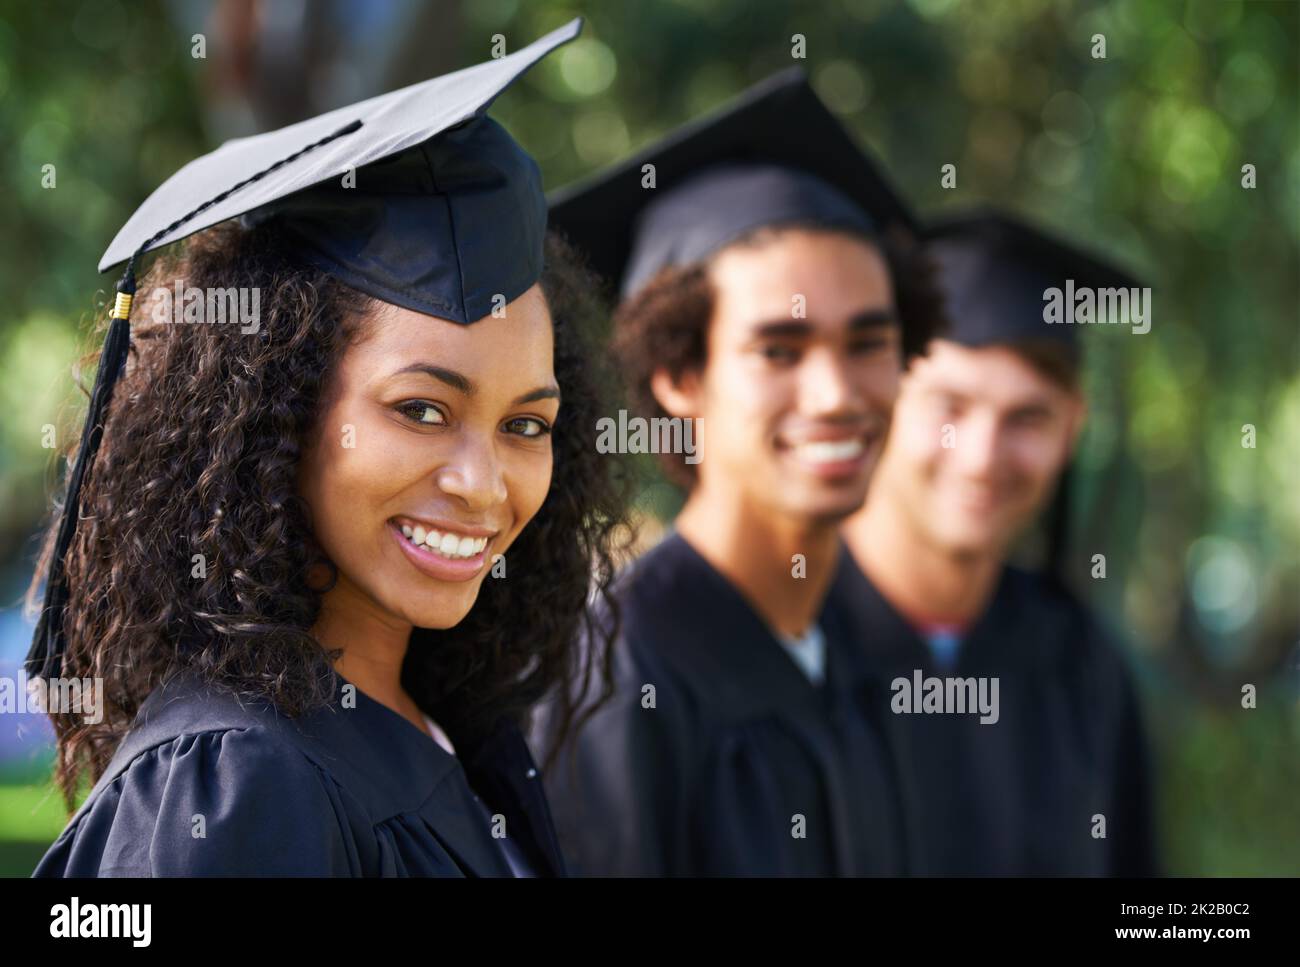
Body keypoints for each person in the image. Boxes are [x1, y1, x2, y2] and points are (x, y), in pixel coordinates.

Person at [28, 18, 630, 877]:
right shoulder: (237, 782)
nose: (481, 481)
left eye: (525, 424)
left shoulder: (442, 727)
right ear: (278, 410)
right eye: (421, 409)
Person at [534, 69, 942, 875]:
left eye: (867, 343)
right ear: (680, 377)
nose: (834, 394)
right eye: (778, 351)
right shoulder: (614, 675)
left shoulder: (868, 652)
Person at [840, 210, 1158, 875]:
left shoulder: (1085, 670)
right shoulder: (773, 639)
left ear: (1073, 428)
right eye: (949, 406)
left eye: (1027, 417)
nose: (983, 457)